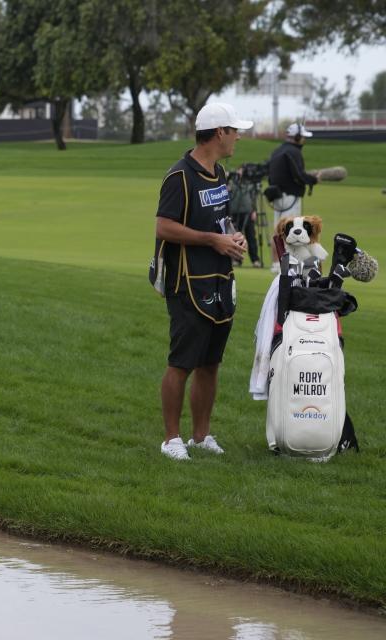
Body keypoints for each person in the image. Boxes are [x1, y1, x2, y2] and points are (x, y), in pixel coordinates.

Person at [153, 103, 250, 461]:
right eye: (234, 130)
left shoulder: (219, 173)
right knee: (182, 362)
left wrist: (232, 236)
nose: (238, 136)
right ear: (219, 132)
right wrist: (212, 240)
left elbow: (220, 220)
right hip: (187, 282)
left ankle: (201, 436)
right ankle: (171, 439)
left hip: (220, 278)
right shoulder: (180, 176)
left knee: (210, 363)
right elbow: (163, 226)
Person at [267, 123, 319, 271]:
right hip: (289, 196)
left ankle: (276, 263)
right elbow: (299, 175)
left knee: (278, 230)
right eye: (302, 137)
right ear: (297, 137)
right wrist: (313, 179)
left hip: (277, 196)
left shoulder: (278, 150)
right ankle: (286, 264)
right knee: (290, 230)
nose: (304, 140)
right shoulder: (294, 152)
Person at [226, 166, 262, 267]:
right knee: (237, 237)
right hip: (235, 213)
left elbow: (253, 197)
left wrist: (254, 211)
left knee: (251, 237)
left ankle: (255, 260)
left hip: (248, 212)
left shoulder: (250, 183)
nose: (240, 173)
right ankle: (237, 259)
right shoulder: (232, 183)